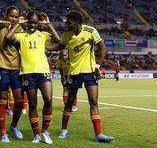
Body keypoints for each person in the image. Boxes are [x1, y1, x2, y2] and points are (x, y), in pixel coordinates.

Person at [58, 10, 114, 143]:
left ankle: (98, 134)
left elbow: (103, 49)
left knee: (93, 102)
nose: (67, 25)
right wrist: (44, 47)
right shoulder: (67, 34)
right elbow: (59, 46)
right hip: (74, 72)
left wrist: (97, 66)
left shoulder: (90, 30)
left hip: (89, 72)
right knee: (70, 102)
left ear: (77, 22)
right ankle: (64, 130)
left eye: (69, 22)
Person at [6, 11, 60, 144]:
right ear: (26, 22)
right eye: (30, 22)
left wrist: (48, 24)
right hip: (27, 74)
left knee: (48, 100)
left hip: (43, 72)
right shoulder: (21, 35)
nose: (33, 25)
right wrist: (18, 23)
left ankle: (45, 132)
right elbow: (8, 38)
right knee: (33, 104)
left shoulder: (42, 35)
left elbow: (58, 40)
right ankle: (37, 134)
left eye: (35, 23)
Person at [0, 6, 25, 143]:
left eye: (16, 16)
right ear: (5, 15)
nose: (14, 18)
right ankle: (3, 132)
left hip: (16, 69)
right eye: (11, 16)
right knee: (2, 99)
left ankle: (14, 126)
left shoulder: (20, 29)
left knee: (19, 100)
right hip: (2, 68)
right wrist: (8, 23)